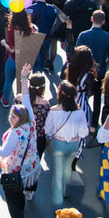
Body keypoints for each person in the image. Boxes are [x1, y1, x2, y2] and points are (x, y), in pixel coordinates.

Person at [45, 82, 89, 210]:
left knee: (57, 173)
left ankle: (58, 206)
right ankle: (66, 191)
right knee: (68, 168)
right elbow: (84, 132)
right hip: (73, 144)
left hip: (58, 143)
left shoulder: (54, 111)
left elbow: (48, 130)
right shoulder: (79, 111)